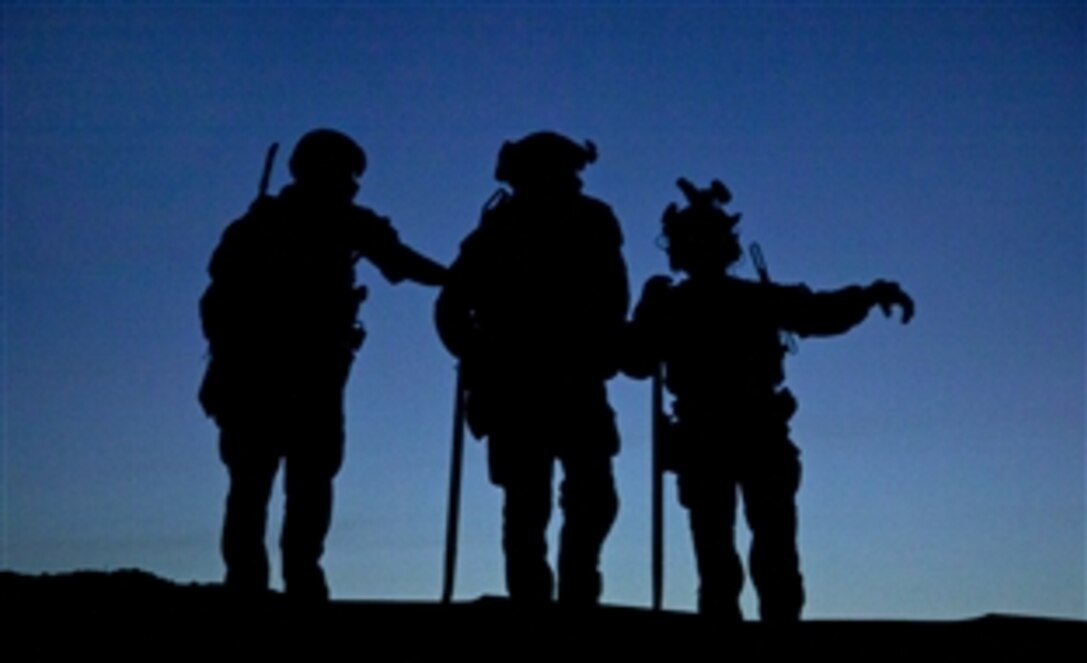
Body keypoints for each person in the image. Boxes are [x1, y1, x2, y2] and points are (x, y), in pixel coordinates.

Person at [623, 178, 914, 621]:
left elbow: (819, 313)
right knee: (741, 555)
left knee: (743, 554)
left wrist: (868, 295)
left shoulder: (700, 303)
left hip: (731, 439)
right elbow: (638, 360)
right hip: (728, 439)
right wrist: (870, 294)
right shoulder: (718, 302)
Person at [199, 128, 447, 600]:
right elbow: (402, 263)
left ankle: (288, 582)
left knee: (295, 485)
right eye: (345, 172)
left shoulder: (320, 222)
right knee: (266, 485)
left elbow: (399, 260)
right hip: (267, 376)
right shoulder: (272, 226)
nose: (351, 183)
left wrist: (457, 281)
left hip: (301, 376)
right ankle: (263, 584)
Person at [434, 131, 629, 605]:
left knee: (592, 497)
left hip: (575, 378)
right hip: (516, 385)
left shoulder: (593, 219)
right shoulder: (497, 229)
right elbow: (452, 307)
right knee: (527, 502)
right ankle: (532, 600)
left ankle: (576, 588)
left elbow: (613, 292)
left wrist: (605, 344)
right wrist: (478, 357)